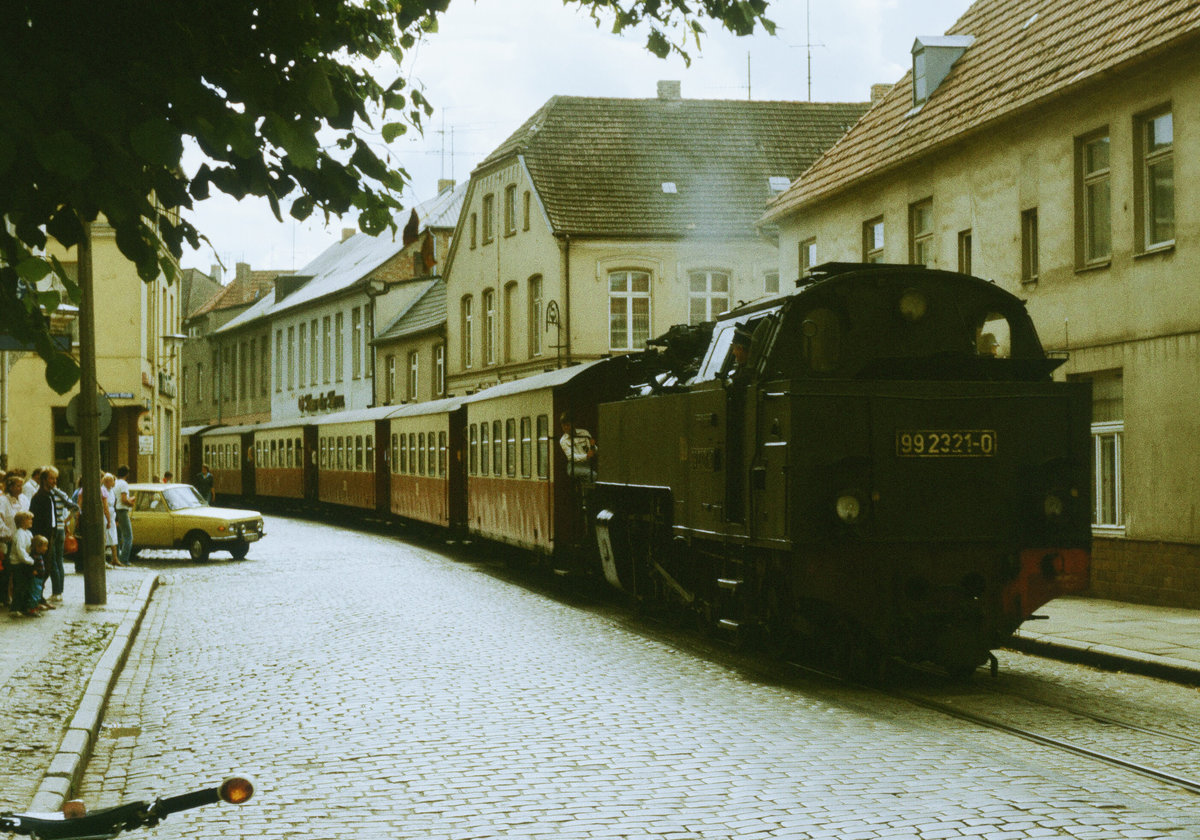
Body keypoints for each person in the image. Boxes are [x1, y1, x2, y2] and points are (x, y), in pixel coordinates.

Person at [29, 466, 78, 603]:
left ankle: (48, 594)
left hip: (54, 533)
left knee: (52, 564)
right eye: (51, 478)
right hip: (43, 536)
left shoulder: (52, 495)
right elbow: (36, 518)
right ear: (44, 479)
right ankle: (38, 597)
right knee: (45, 565)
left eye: (55, 478)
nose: (54, 481)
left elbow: (58, 515)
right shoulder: (38, 497)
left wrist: (59, 527)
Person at [8, 511, 39, 617]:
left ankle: (24, 606)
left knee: (26, 585)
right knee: (19, 586)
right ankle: (15, 608)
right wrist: (31, 561)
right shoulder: (20, 533)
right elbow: (20, 551)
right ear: (22, 522)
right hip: (18, 563)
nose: (31, 521)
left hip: (25, 562)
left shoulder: (28, 533)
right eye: (28, 519)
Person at [0, 475, 21, 610]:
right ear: (11, 487)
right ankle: (3, 597)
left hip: (20, 538)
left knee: (17, 570)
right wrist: (6, 533)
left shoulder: (23, 499)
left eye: (21, 486)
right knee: (6, 570)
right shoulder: (3, 500)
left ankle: (15, 596)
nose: (20, 488)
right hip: (7, 538)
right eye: (17, 485)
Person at [558, 413, 597, 480]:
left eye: (567, 425)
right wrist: (586, 456)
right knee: (592, 475)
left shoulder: (584, 433)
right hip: (574, 466)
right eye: (563, 426)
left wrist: (593, 447)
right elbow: (571, 457)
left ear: (573, 424)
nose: (565, 428)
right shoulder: (563, 440)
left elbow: (592, 449)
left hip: (587, 464)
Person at [114, 465, 135, 566]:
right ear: (127, 474)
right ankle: (124, 559)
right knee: (128, 537)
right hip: (122, 510)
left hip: (116, 510)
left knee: (117, 536)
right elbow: (123, 499)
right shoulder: (124, 484)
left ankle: (117, 557)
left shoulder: (115, 483)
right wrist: (130, 502)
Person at [100, 472, 122, 567]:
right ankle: (102, 559)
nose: (114, 483)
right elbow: (105, 506)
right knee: (105, 537)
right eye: (112, 481)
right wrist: (108, 519)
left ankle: (115, 558)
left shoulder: (112, 490)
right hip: (106, 514)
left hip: (112, 513)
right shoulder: (103, 490)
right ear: (107, 482)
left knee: (113, 536)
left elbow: (115, 503)